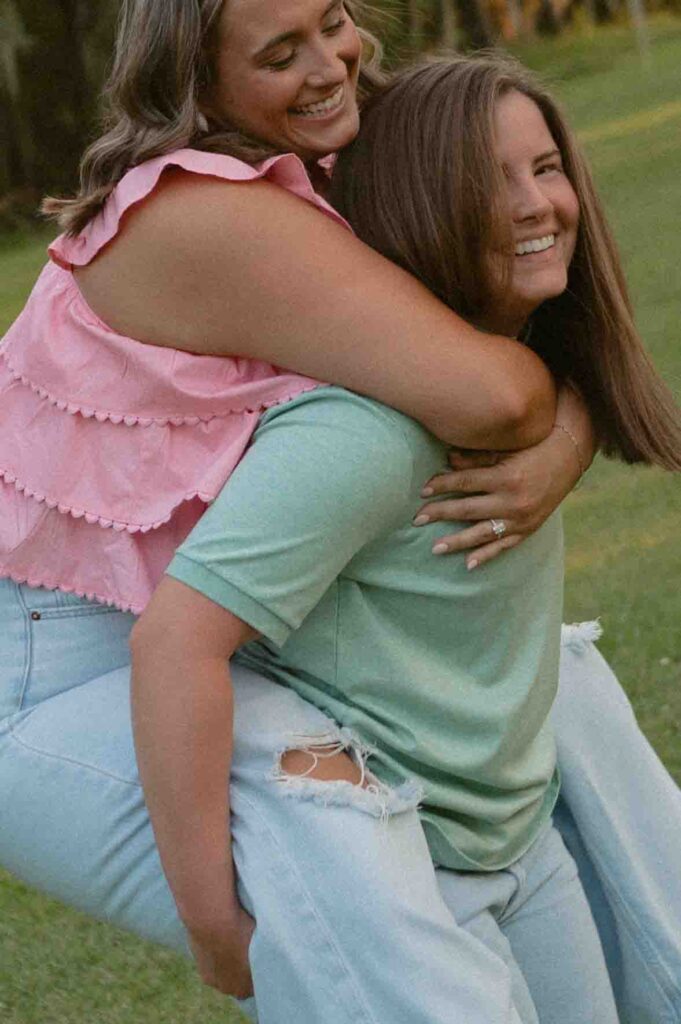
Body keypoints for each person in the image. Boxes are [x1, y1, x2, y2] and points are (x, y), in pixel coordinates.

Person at [0, 0, 678, 1019]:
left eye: (333, 21)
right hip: (59, 664)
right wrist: (212, 923)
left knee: (540, 728)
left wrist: (568, 433)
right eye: (281, 52)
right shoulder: (203, 210)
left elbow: (511, 310)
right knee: (340, 827)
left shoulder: (310, 159)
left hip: (200, 627)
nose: (331, 63)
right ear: (196, 82)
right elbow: (495, 395)